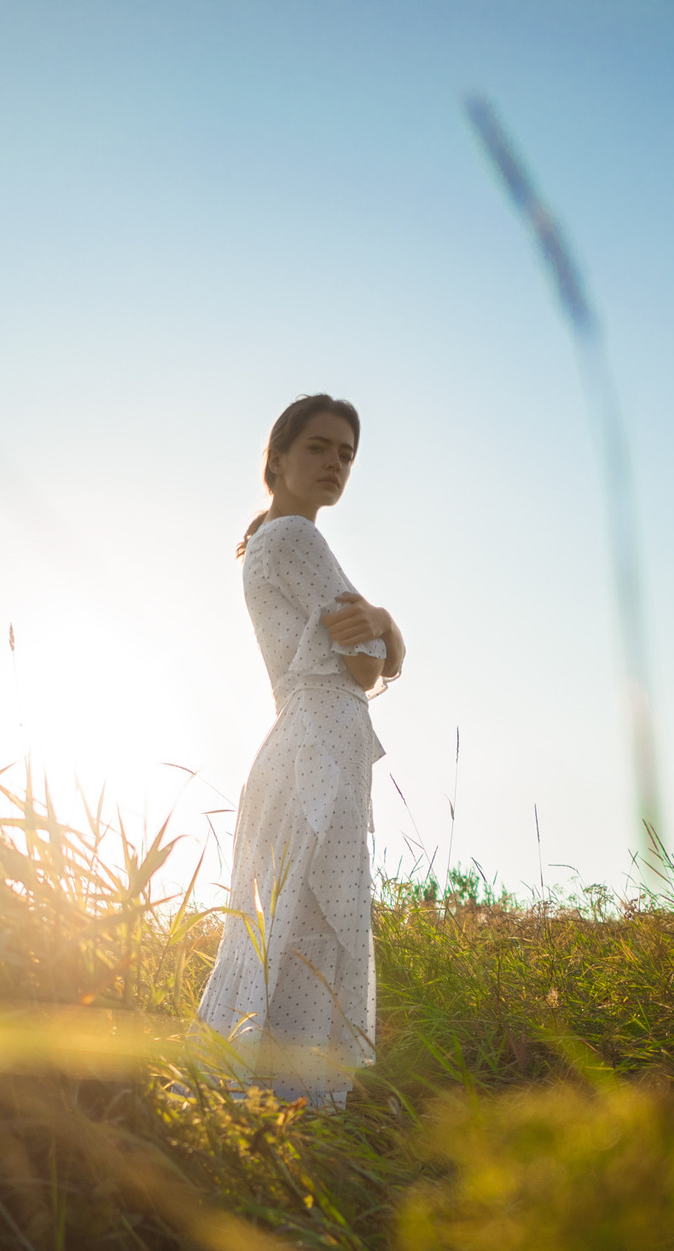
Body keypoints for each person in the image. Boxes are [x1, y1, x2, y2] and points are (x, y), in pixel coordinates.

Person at [195, 394, 405, 1108]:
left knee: (291, 929)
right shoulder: (294, 538)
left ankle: (261, 1105)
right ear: (277, 459)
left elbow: (370, 650)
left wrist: (382, 626)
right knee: (304, 930)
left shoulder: (277, 540)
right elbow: (367, 665)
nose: (335, 463)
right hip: (314, 751)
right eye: (319, 447)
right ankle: (283, 1107)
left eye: (347, 454)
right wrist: (387, 627)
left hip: (313, 749)